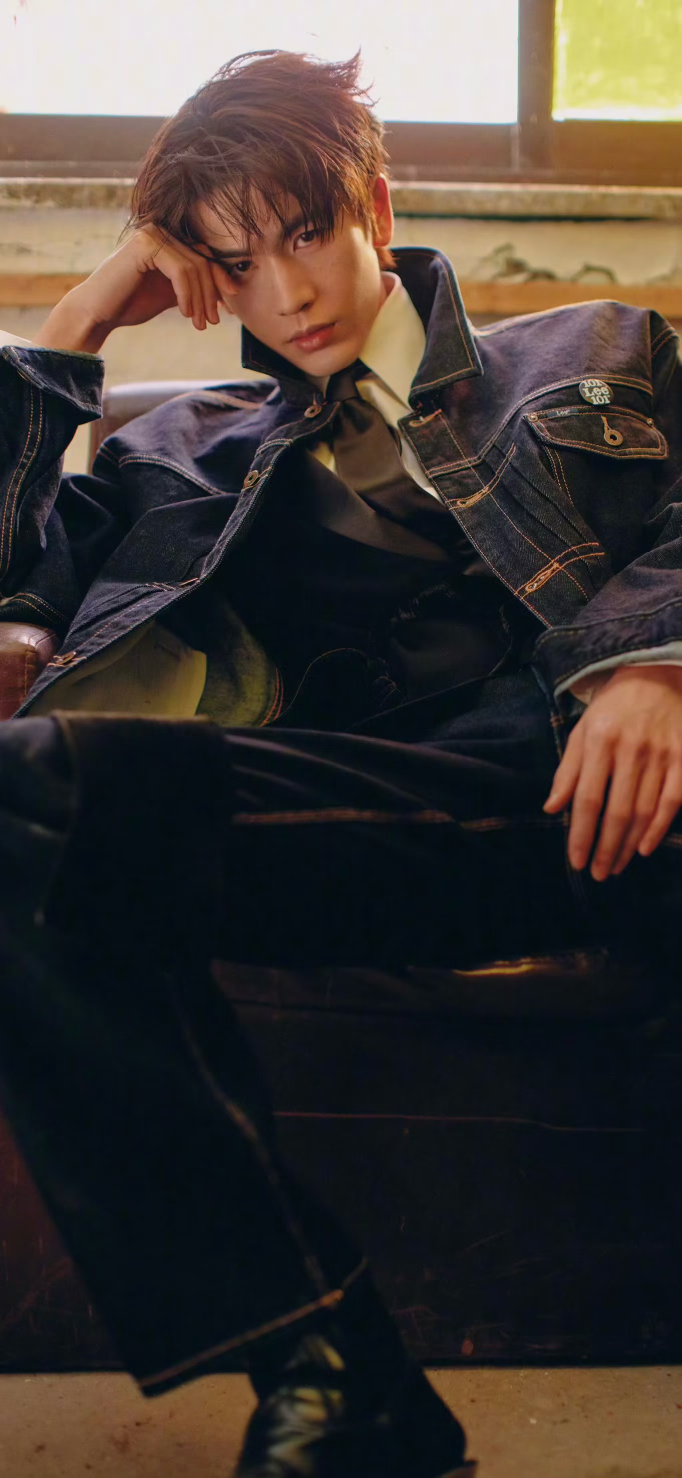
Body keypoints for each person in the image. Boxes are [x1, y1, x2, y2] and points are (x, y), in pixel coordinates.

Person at [1, 47, 682, 1478]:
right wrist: (75, 324)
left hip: (602, 774)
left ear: (374, 202)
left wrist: (651, 657)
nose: (290, 293)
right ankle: (332, 1363)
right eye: (234, 264)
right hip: (379, 811)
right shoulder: (177, 453)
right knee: (21, 798)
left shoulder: (599, 346)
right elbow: (16, 573)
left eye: (307, 234)